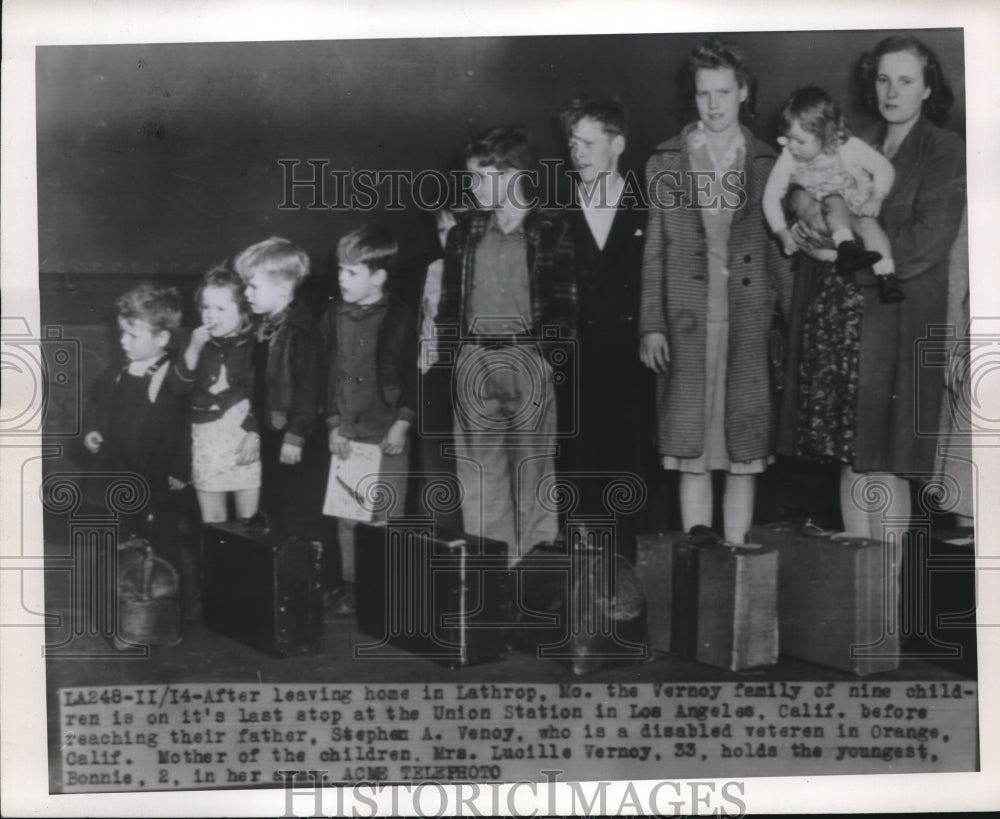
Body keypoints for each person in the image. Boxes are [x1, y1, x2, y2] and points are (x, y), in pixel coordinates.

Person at [780, 33, 966, 541]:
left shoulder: (945, 150)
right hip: (840, 323)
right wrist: (800, 204)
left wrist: (848, 262)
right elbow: (801, 177)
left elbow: (927, 241)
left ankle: (886, 601)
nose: (892, 91)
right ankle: (862, 606)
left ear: (928, 88)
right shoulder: (852, 138)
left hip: (894, 321)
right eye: (883, 78)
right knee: (851, 456)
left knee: (881, 461)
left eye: (906, 80)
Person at [639, 39, 793, 544]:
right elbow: (655, 252)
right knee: (692, 455)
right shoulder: (664, 162)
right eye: (704, 93)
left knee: (744, 457)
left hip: (748, 327)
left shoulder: (771, 163)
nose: (714, 104)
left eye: (723, 92)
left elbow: (780, 254)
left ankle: (737, 563)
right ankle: (695, 571)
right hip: (688, 328)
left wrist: (795, 327)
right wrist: (652, 325)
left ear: (743, 92)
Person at [437, 125, 577, 565]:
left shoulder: (550, 229)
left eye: (481, 176)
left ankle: (536, 574)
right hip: (474, 360)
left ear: (514, 174)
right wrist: (454, 356)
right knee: (480, 477)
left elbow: (564, 305)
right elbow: (447, 305)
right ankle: (491, 573)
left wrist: (546, 359)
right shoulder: (464, 234)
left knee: (533, 473)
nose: (472, 186)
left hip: (527, 360)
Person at [559, 98, 650, 563]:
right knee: (576, 470)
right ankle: (579, 577)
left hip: (632, 362)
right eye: (574, 144)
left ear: (617, 144)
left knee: (627, 468)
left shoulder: (647, 201)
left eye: (590, 144)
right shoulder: (555, 207)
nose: (579, 154)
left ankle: (627, 575)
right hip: (573, 361)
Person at [319, 225, 416, 613]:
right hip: (349, 434)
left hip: (387, 432)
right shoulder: (331, 319)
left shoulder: (402, 318)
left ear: (379, 276)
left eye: (352, 272)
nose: (342, 279)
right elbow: (326, 377)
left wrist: (403, 421)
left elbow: (414, 373)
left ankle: (386, 592)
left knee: (386, 517)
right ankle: (352, 589)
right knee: (347, 517)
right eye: (340, 270)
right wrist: (333, 425)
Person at [83, 283, 192, 576]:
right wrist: (93, 430)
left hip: (156, 475)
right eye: (122, 333)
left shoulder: (174, 374)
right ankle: (122, 598)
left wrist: (182, 468)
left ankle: (169, 604)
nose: (123, 342)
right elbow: (100, 405)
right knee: (118, 537)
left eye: (133, 335)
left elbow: (187, 425)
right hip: (119, 470)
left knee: (161, 539)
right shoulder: (119, 371)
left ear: (162, 337)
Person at [762, 84, 904, 304]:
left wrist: (877, 196)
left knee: (870, 227)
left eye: (800, 141)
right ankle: (846, 247)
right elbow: (771, 195)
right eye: (788, 138)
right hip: (822, 214)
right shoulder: (790, 157)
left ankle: (886, 276)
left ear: (825, 134)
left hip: (854, 209)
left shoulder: (848, 147)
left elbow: (884, 167)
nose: (792, 146)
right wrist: (780, 230)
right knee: (833, 200)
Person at [233, 237, 324, 537]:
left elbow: (309, 388)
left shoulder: (301, 332)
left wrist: (296, 436)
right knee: (274, 508)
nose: (247, 294)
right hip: (272, 432)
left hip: (294, 439)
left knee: (296, 508)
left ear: (284, 287)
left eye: (253, 287)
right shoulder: (264, 329)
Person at [169, 265, 260, 523]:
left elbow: (263, 395)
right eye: (206, 308)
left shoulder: (254, 345)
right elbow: (178, 387)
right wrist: (194, 349)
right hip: (207, 442)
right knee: (213, 520)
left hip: (244, 438)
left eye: (220, 309)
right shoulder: (195, 342)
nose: (211, 315)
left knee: (248, 520)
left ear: (243, 311)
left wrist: (254, 433)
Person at [400, 204, 464, 529]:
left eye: (457, 230)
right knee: (435, 470)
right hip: (431, 377)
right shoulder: (425, 271)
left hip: (471, 378)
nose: (449, 239)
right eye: (442, 230)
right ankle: (442, 549)